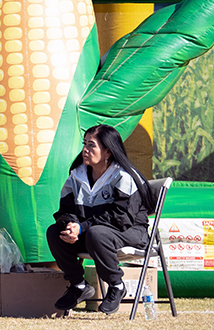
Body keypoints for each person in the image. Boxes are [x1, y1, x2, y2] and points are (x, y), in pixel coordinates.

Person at [46, 124, 150, 314]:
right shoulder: (76, 176)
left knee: (97, 233)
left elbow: (122, 218)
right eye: (84, 144)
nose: (85, 150)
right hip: (94, 234)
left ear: (108, 151)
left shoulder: (124, 176)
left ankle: (116, 285)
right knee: (55, 232)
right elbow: (65, 210)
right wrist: (70, 226)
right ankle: (78, 286)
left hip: (130, 232)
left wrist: (82, 227)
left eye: (91, 145)